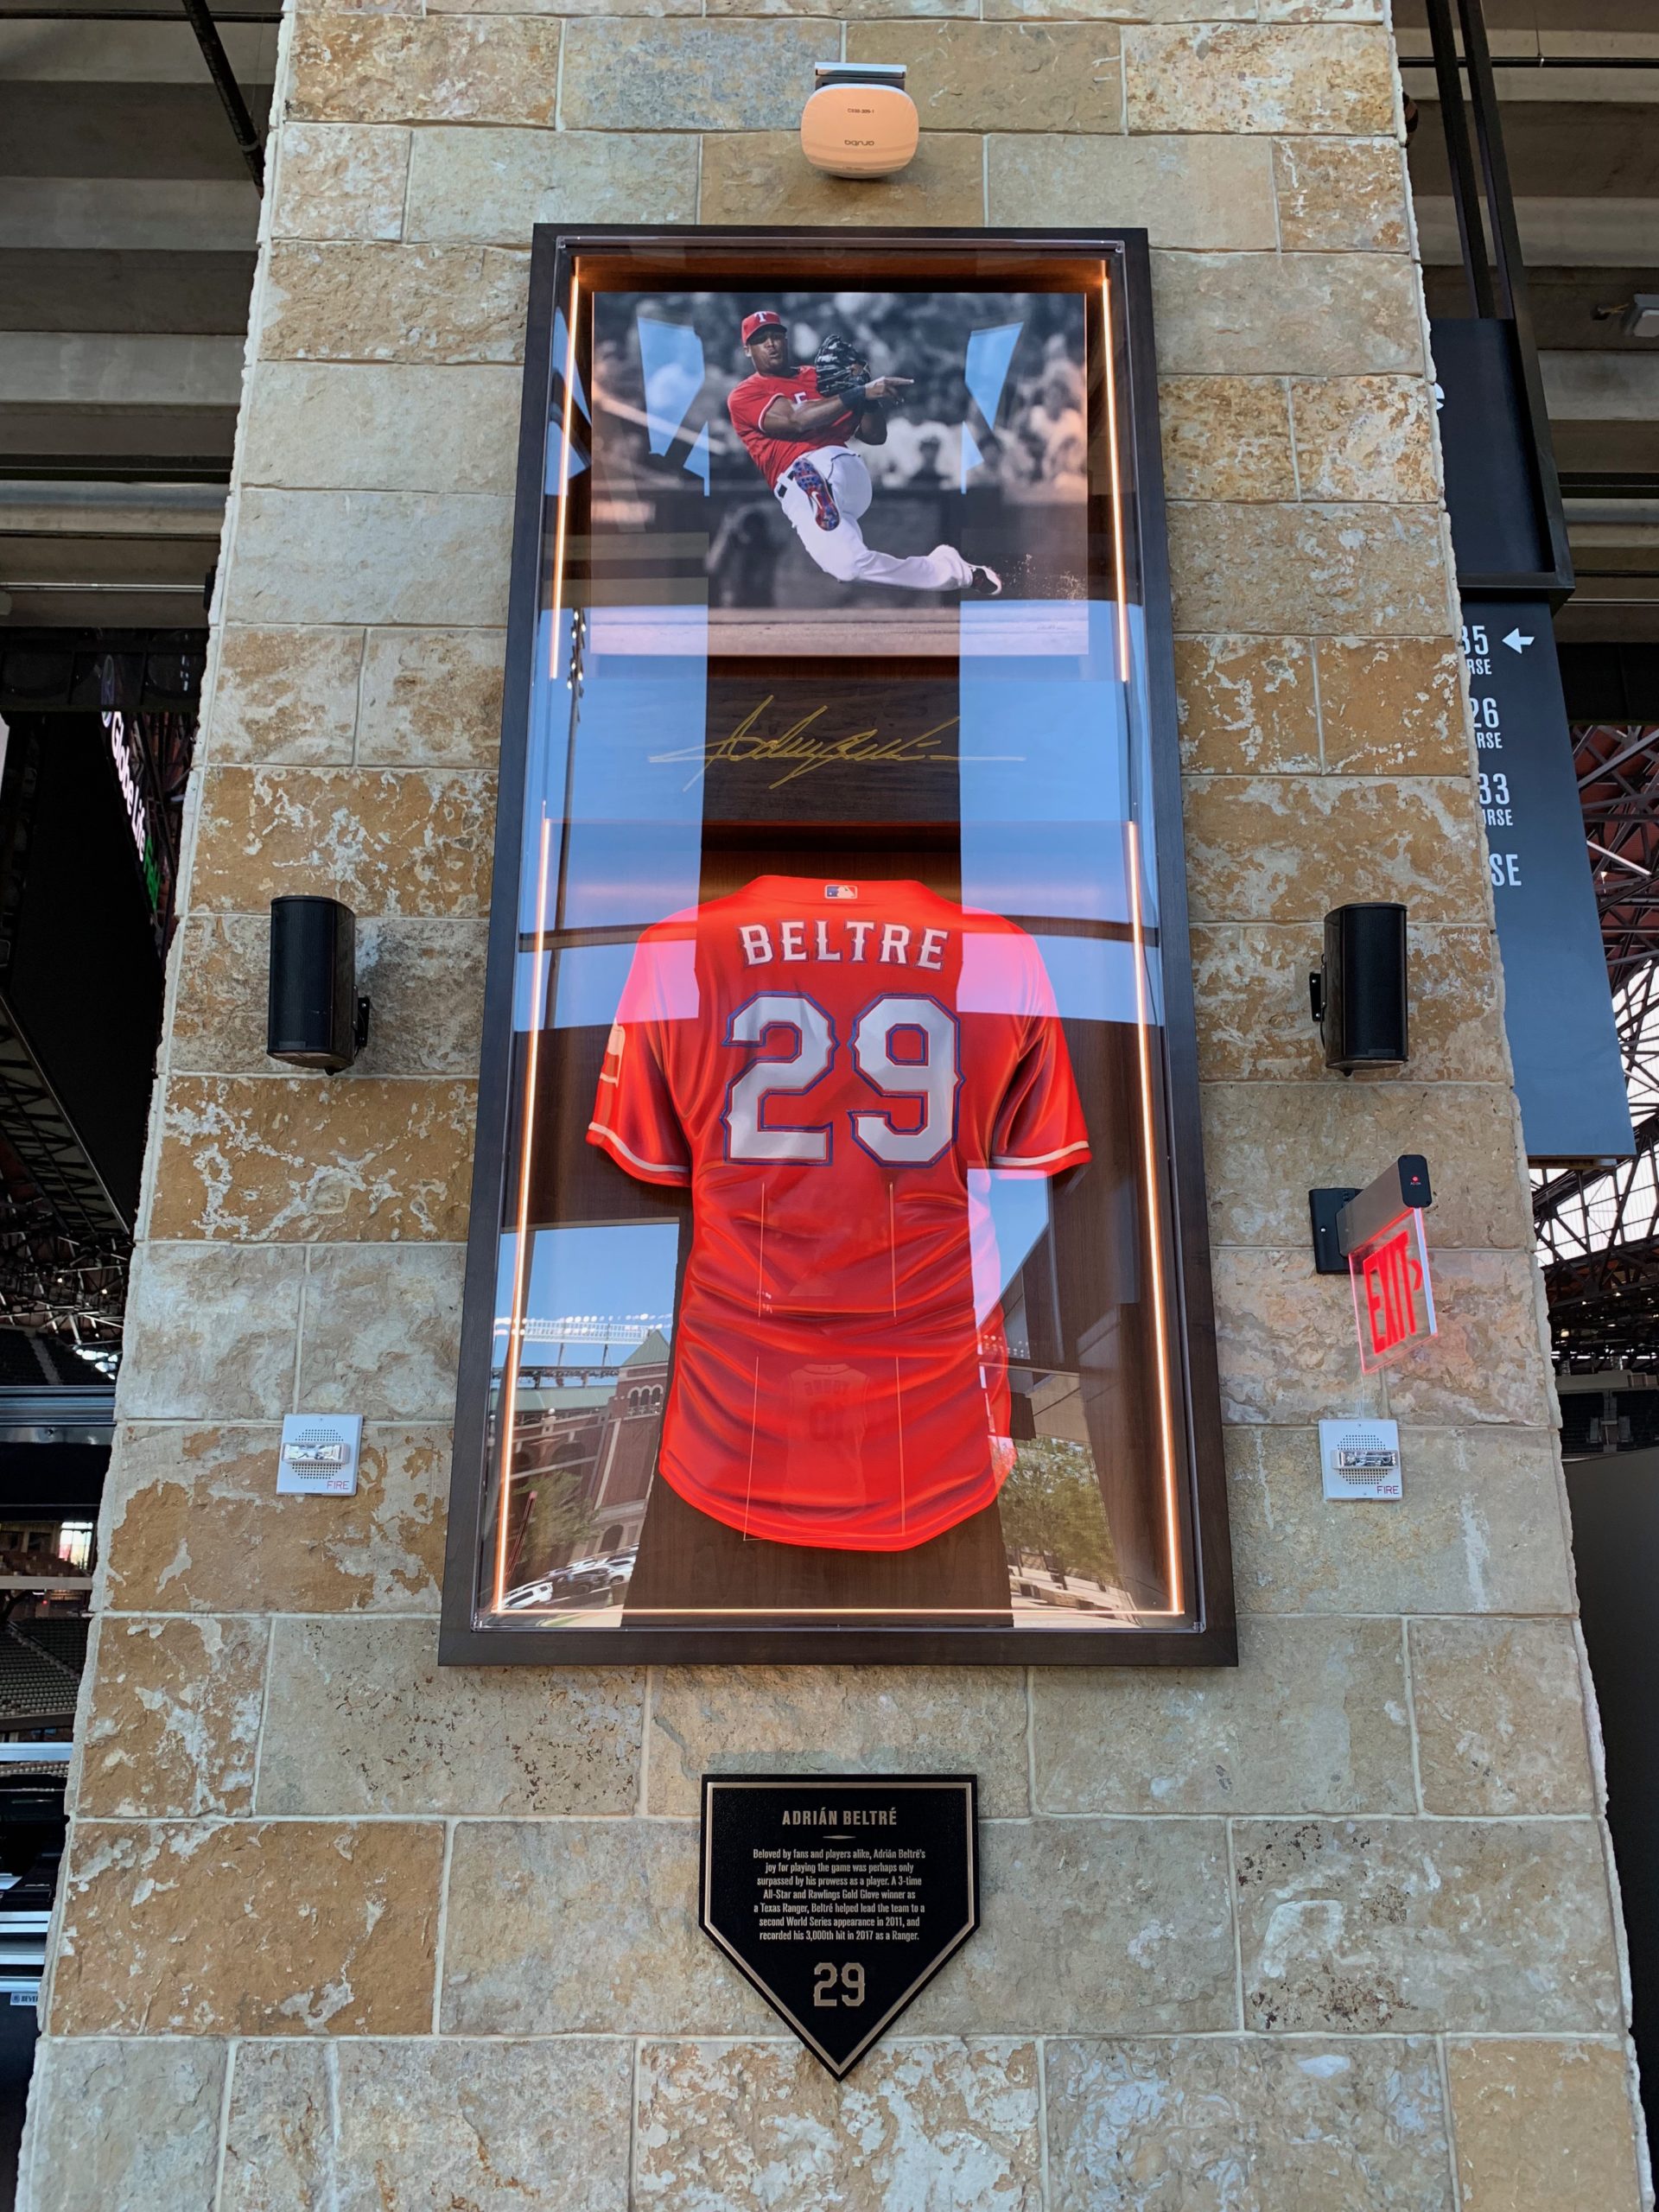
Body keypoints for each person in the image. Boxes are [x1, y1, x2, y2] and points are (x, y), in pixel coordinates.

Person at [725, 309, 1001, 598]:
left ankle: (814, 484)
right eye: (760, 340)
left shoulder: (817, 376)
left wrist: (865, 393)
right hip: (842, 487)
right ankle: (952, 570)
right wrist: (861, 393)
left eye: (775, 336)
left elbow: (874, 435)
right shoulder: (745, 394)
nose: (770, 344)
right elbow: (796, 419)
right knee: (849, 566)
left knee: (808, 472)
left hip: (820, 467)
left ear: (785, 339)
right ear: (748, 350)